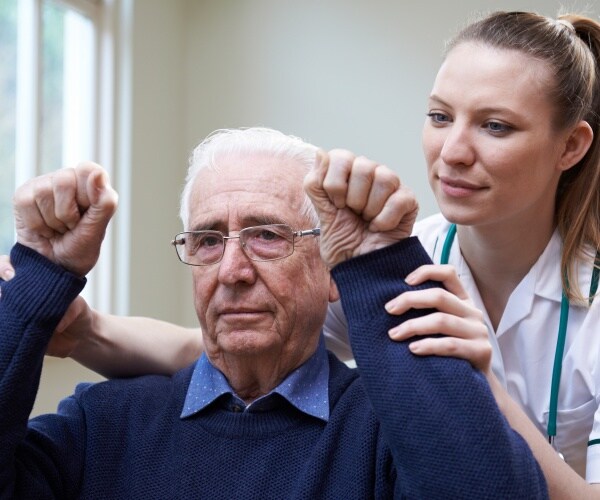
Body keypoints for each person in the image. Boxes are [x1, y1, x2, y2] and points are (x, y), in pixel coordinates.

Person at [2, 8, 598, 497]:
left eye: (496, 126)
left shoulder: (381, 296)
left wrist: (480, 387)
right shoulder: (99, 425)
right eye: (440, 116)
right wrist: (49, 301)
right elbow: (216, 346)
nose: (453, 152)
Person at [0, 128, 547, 498]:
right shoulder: (102, 424)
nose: (232, 270)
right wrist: (37, 283)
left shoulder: (388, 428)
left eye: (266, 236)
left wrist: (379, 269)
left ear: (333, 270)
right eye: (209, 240)